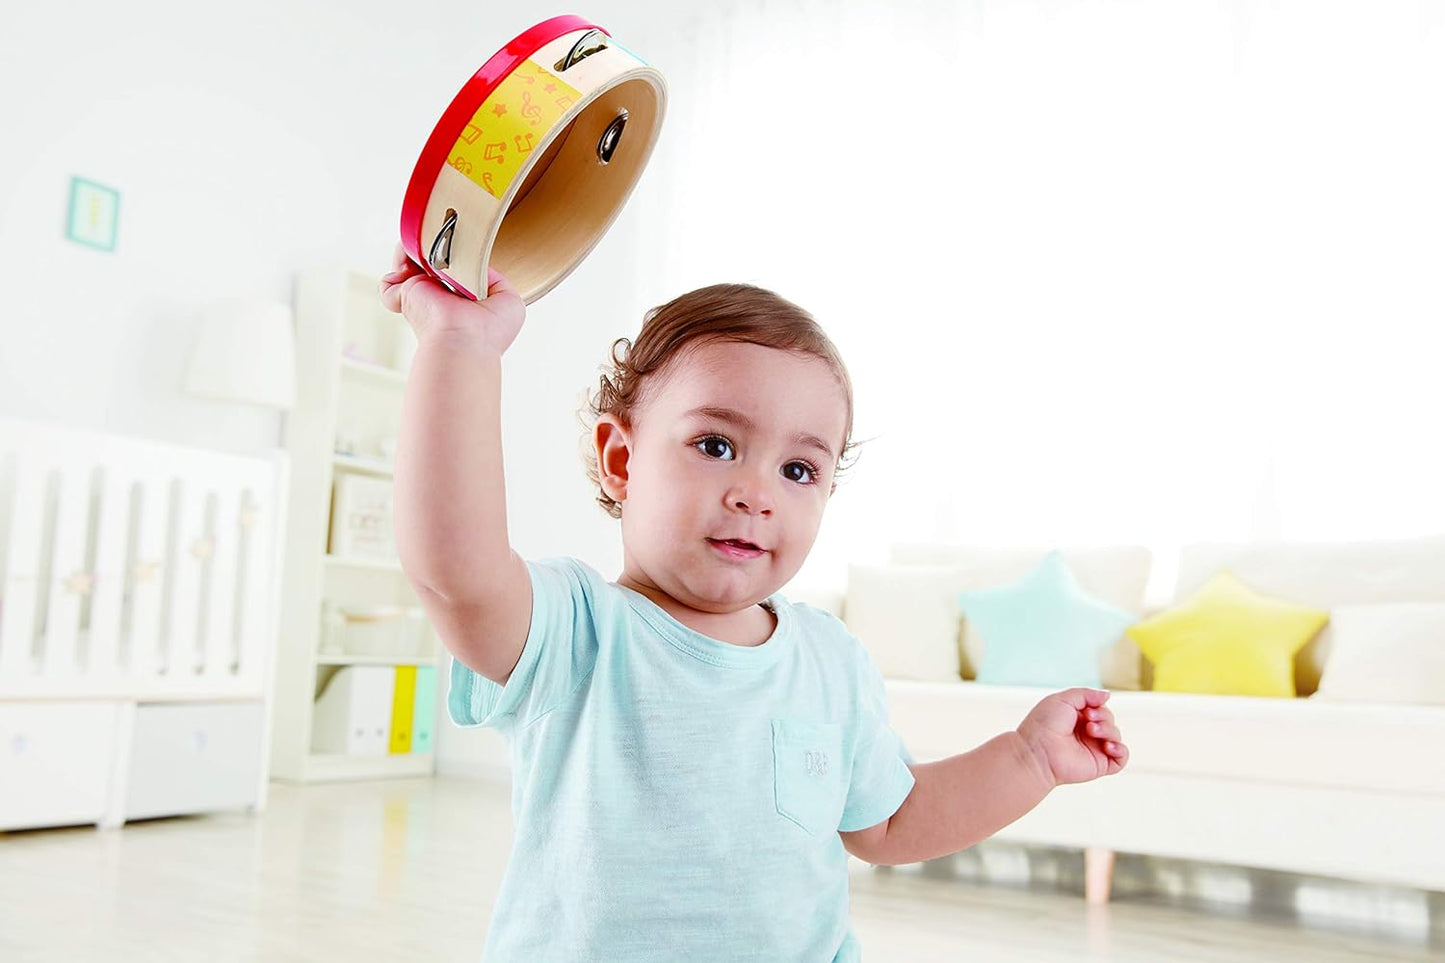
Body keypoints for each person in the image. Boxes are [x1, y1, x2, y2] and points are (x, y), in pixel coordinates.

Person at [380, 249, 1129, 962]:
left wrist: (1027, 758)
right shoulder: (575, 631)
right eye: (714, 445)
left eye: (798, 468)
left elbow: (892, 821)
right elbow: (458, 569)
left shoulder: (830, 660)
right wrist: (459, 346)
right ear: (621, 460)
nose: (756, 493)